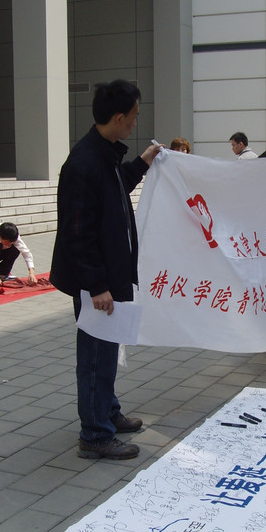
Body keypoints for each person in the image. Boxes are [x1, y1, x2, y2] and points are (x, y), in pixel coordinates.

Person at [50, 79, 162, 461]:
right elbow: (76, 233)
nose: (135, 122)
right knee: (96, 355)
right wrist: (96, 285)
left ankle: (107, 412)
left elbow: (116, 187)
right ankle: (95, 435)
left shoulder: (105, 155)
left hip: (108, 277)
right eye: (133, 116)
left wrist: (144, 161)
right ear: (118, 117)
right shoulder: (84, 163)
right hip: (95, 284)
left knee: (108, 349)